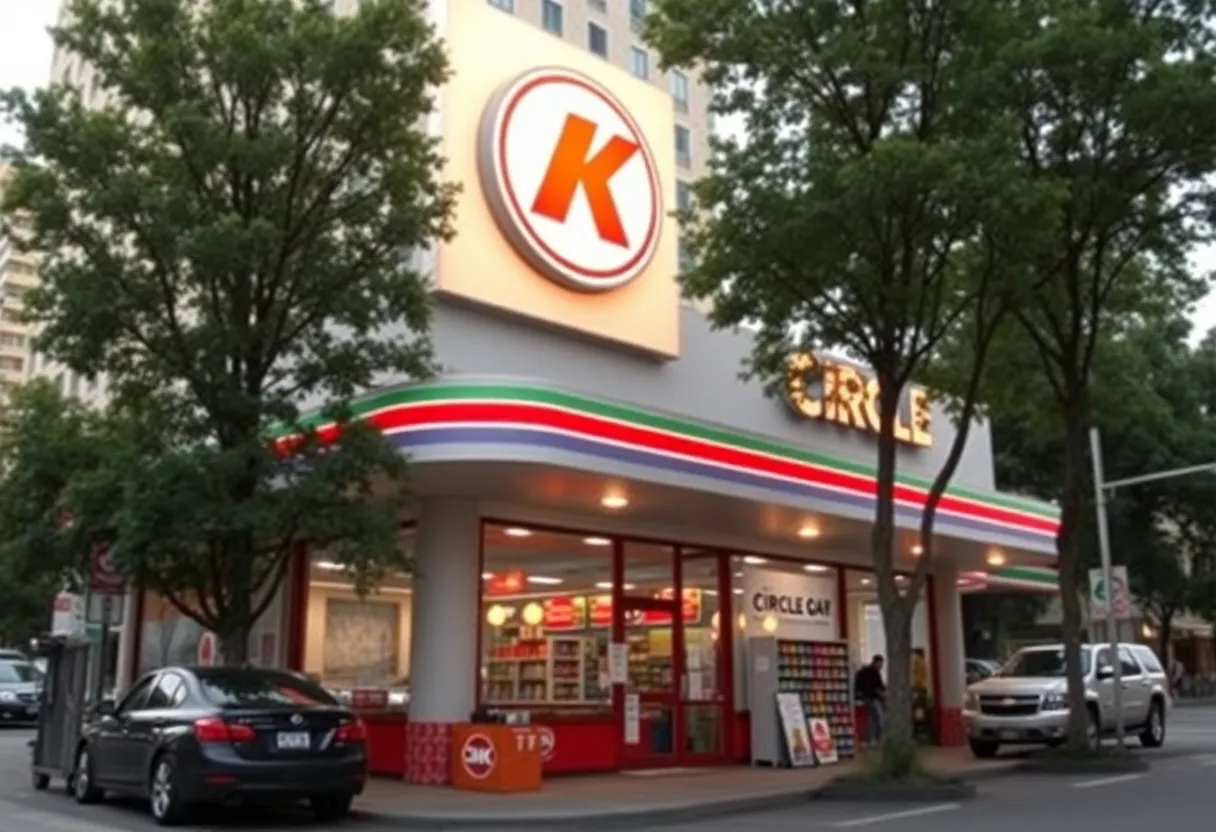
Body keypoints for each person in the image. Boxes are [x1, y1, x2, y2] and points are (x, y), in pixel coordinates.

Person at [854, 655, 886, 748]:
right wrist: (883, 695)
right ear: (876, 662)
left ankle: (871, 739)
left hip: (865, 698)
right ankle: (877, 738)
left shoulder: (864, 671)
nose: (881, 666)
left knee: (872, 718)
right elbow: (877, 687)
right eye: (880, 664)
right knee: (879, 717)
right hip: (871, 698)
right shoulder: (873, 672)